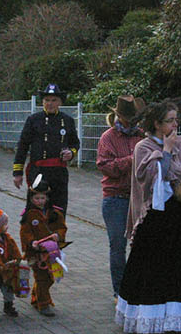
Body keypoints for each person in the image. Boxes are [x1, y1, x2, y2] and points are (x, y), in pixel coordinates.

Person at [115, 101, 181, 334]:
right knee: (153, 268)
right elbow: (151, 176)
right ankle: (148, 322)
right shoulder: (143, 147)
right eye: (170, 120)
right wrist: (165, 151)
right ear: (156, 124)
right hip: (155, 217)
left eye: (176, 120)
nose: (175, 125)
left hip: (180, 213)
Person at [96, 95, 146, 300]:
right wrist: (132, 160)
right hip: (115, 198)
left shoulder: (143, 136)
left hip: (139, 198)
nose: (134, 121)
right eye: (131, 117)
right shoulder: (108, 137)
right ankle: (120, 290)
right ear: (121, 117)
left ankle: (137, 285)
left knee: (140, 245)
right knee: (117, 245)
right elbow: (106, 167)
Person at [13, 83, 80, 212]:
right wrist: (17, 173)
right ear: (42, 102)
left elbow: (75, 143)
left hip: (59, 174)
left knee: (58, 210)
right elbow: (22, 146)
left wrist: (71, 153)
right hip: (38, 172)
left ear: (60, 102)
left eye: (54, 100)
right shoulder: (33, 120)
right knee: (35, 211)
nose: (50, 103)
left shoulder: (67, 120)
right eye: (47, 100)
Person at [20, 176, 68, 317]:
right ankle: (44, 304)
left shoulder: (55, 213)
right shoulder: (28, 215)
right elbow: (25, 232)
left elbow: (62, 228)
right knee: (42, 278)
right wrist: (31, 242)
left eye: (43, 198)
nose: (40, 201)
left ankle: (36, 297)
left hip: (52, 252)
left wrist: (58, 236)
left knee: (51, 277)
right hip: (36, 253)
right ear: (31, 199)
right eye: (37, 198)